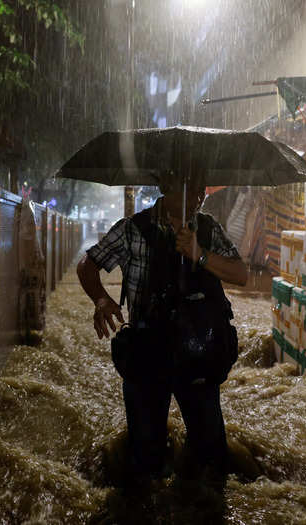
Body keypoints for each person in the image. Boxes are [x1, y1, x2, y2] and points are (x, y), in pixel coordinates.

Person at [76, 170, 247, 480]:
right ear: (166, 188)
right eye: (189, 190)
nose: (197, 198)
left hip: (199, 354)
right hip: (146, 351)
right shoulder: (133, 229)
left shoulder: (207, 229)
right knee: (145, 456)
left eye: (200, 191)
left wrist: (201, 255)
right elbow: (88, 264)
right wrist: (101, 299)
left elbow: (241, 274)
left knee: (211, 456)